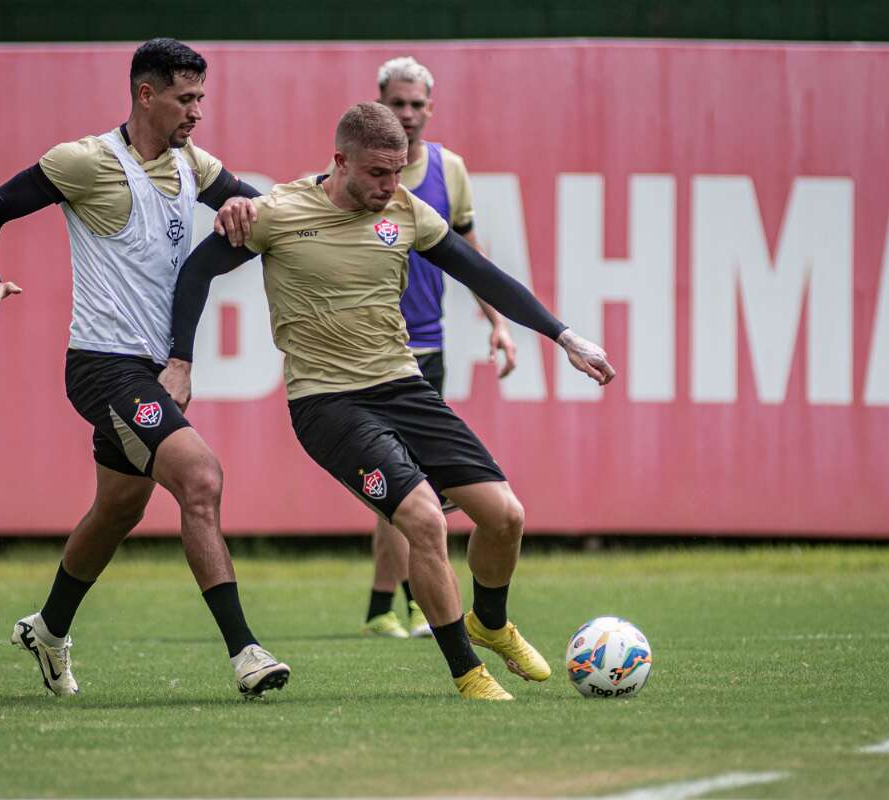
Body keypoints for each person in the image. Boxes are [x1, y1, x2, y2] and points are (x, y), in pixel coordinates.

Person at [167, 102, 615, 700]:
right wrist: (180, 361)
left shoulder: (406, 211)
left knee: (506, 516)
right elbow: (196, 273)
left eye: (398, 171)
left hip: (403, 387)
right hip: (328, 403)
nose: (390, 186)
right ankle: (468, 674)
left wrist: (564, 335)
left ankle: (490, 621)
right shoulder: (277, 212)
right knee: (425, 519)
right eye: (378, 173)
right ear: (340, 161)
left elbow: (481, 275)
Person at [0, 38, 289, 700]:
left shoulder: (193, 164)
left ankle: (49, 628)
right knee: (200, 477)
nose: (198, 111)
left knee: (117, 509)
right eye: (185, 97)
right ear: (146, 95)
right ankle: (246, 652)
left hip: (147, 372)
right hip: (103, 368)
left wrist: (239, 205)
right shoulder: (85, 162)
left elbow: (257, 211)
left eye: (202, 97)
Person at [355, 56, 518, 640]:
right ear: (379, 104)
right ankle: (414, 602)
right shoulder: (356, 172)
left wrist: (498, 323)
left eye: (417, 104)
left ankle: (385, 606)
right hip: (369, 357)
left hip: (427, 349)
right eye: (397, 103)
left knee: (409, 485)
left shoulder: (448, 170)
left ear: (430, 109)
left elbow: (470, 259)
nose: (407, 114)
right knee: (408, 487)